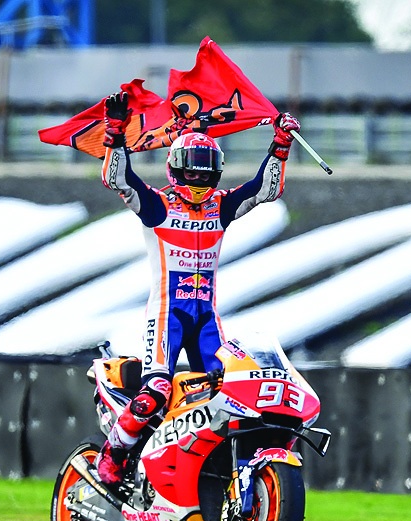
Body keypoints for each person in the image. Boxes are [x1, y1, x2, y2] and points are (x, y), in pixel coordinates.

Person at [94, 90, 300, 485]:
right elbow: (116, 178)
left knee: (232, 391)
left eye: (207, 167)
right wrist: (116, 131)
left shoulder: (221, 207)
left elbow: (265, 190)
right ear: (175, 167)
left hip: (207, 317)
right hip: (167, 314)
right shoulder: (156, 205)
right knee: (155, 389)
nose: (199, 175)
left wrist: (281, 142)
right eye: (192, 166)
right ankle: (115, 452)